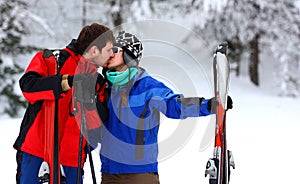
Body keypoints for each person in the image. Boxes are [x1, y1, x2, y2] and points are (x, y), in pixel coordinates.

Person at [99, 31, 233, 184]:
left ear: (129, 56)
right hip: (109, 173)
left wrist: (208, 105)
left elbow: (174, 105)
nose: (109, 55)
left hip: (140, 175)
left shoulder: (147, 87)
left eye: (115, 50)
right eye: (108, 51)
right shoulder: (104, 89)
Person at [13, 23, 115, 184]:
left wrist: (90, 104)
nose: (112, 54)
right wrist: (65, 82)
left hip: (72, 161)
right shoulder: (51, 60)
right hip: (37, 153)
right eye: (109, 49)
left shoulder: (99, 82)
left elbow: (97, 126)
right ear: (95, 50)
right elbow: (28, 87)